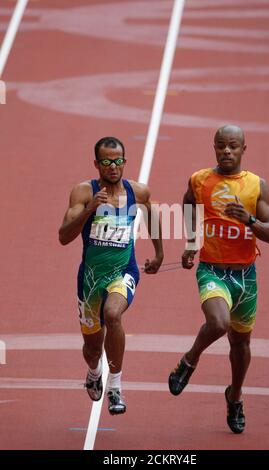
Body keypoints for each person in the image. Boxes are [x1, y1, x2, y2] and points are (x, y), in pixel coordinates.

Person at [168, 125, 269, 433]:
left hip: (246, 276)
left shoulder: (257, 186)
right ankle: (189, 361)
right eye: (221, 146)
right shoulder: (201, 179)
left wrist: (249, 219)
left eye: (233, 146)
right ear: (213, 147)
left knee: (241, 343)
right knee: (218, 323)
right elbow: (188, 201)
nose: (226, 151)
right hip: (212, 269)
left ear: (244, 149)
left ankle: (235, 396)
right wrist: (191, 240)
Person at [59, 136, 163, 414]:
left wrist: (159, 253)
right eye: (106, 162)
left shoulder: (137, 192)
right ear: (96, 164)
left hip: (123, 272)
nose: (113, 167)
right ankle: (94, 373)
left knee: (113, 315)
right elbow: (63, 236)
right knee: (92, 348)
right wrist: (91, 208)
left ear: (125, 162)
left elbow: (152, 217)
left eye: (118, 161)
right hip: (91, 280)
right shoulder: (83, 193)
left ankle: (115, 387)